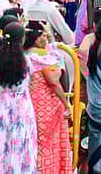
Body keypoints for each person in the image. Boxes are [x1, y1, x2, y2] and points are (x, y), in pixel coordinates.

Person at [0, 23, 38, 174]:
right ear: (21, 39)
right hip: (21, 106)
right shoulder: (26, 61)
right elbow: (32, 80)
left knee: (0, 144)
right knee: (20, 144)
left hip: (2, 105)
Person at [24, 23, 73, 174]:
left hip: (32, 104)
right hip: (46, 107)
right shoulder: (42, 57)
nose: (46, 38)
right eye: (44, 35)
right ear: (36, 39)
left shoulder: (25, 54)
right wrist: (66, 104)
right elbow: (53, 82)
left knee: (36, 144)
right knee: (47, 145)